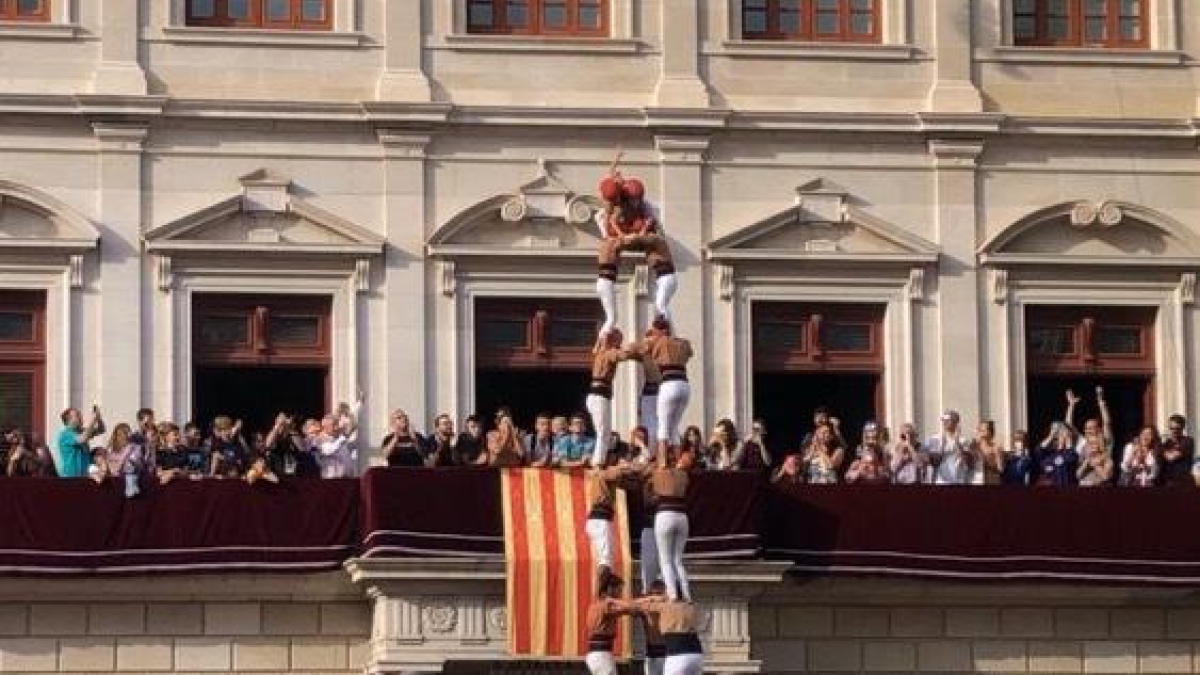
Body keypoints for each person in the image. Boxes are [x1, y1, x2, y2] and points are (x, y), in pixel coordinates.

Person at [595, 162, 677, 336]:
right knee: (607, 250)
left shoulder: (646, 208)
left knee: (659, 247)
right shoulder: (611, 209)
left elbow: (652, 226)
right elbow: (609, 226)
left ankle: (661, 307)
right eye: (632, 199)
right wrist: (621, 237)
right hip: (620, 237)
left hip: (642, 236)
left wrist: (641, 233)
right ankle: (611, 317)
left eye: (637, 199)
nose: (634, 203)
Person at [636, 318, 693, 461]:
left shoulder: (657, 341)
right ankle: (678, 461)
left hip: (668, 385)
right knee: (674, 426)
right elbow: (690, 352)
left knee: (663, 426)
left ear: (658, 331)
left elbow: (638, 347)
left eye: (654, 331)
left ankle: (662, 463)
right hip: (684, 385)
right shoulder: (682, 342)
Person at [588, 329, 633, 467]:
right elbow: (624, 355)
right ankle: (597, 462)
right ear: (613, 340)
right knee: (603, 431)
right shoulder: (609, 352)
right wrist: (632, 348)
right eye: (619, 340)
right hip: (599, 395)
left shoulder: (599, 352)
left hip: (599, 395)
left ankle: (599, 460)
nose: (620, 343)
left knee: (605, 432)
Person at [650, 450, 691, 602]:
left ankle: (673, 594)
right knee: (678, 560)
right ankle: (686, 594)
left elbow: (652, 492)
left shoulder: (659, 473)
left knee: (665, 560)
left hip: (665, 514)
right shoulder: (684, 475)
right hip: (682, 516)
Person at [635, 592, 704, 675]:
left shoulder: (664, 606)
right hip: (696, 655)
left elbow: (633, 605)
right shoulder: (692, 606)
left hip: (677, 655)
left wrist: (649, 598)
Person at [583, 569, 636, 675]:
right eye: (619, 589)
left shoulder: (595, 605)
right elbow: (631, 607)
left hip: (595, 655)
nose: (621, 593)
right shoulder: (606, 605)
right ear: (610, 589)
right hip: (602, 655)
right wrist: (613, 600)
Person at [586, 465, 631, 573]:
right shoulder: (603, 474)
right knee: (605, 562)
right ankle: (600, 588)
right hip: (600, 521)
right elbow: (614, 474)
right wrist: (621, 467)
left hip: (599, 520)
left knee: (606, 561)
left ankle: (604, 587)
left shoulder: (599, 476)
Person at [924, 411, 976, 485]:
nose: (945, 422)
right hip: (940, 480)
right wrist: (942, 445)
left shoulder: (964, 440)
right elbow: (933, 462)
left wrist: (957, 442)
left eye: (948, 420)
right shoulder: (934, 439)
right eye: (943, 420)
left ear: (956, 422)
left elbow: (969, 462)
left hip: (958, 479)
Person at [54, 405, 105, 478]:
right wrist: (93, 420)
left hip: (84, 475)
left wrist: (98, 418)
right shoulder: (65, 434)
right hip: (71, 476)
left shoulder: (81, 431)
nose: (81, 416)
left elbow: (101, 429)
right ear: (69, 420)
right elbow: (82, 439)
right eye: (77, 415)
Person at [1066, 387, 1114, 460]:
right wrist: (1071, 405)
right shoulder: (1082, 441)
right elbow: (1068, 426)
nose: (1089, 430)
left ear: (1099, 429)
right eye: (1087, 428)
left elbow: (1106, 423)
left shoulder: (1105, 440)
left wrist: (1101, 403)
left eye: (1092, 428)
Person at [103, 423, 148, 498]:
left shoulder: (135, 447)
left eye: (128, 432)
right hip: (113, 482)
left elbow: (136, 463)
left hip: (129, 481)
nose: (127, 436)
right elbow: (111, 466)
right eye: (125, 433)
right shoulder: (111, 448)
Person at [1033, 422, 1079, 487]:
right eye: (1058, 433)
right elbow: (1038, 451)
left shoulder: (1072, 453)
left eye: (1061, 433)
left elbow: (1071, 458)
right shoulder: (1049, 455)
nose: (1059, 435)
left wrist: (1068, 439)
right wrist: (1051, 435)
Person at [639, 580, 668, 675]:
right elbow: (629, 605)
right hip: (650, 653)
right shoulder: (645, 608)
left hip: (666, 653)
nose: (655, 597)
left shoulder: (669, 607)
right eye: (653, 594)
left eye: (658, 594)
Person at [1159, 414, 1194, 487]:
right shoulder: (1166, 443)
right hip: (1167, 482)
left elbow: (1170, 458)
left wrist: (1160, 448)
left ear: (1182, 428)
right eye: (1171, 428)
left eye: (1177, 428)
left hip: (1182, 482)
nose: (1174, 431)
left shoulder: (1187, 441)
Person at [639, 338, 662, 447]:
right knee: (648, 425)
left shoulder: (663, 354)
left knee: (661, 424)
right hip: (648, 392)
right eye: (646, 342)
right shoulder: (644, 355)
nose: (648, 345)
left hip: (660, 391)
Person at [313, 413, 352, 478]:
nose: (336, 427)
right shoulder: (319, 439)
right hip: (331, 479)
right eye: (333, 425)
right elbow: (329, 450)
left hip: (347, 478)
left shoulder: (338, 438)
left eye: (337, 424)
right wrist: (343, 436)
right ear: (325, 427)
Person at [973, 420, 1005, 485]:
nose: (981, 429)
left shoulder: (996, 447)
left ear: (990, 432)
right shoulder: (974, 446)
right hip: (977, 480)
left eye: (984, 428)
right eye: (980, 428)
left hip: (991, 480)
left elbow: (1000, 468)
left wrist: (997, 455)